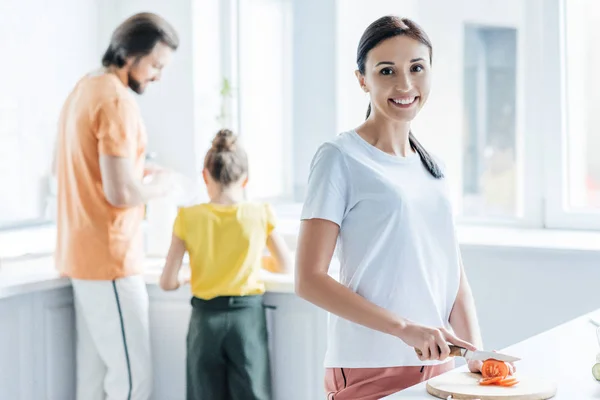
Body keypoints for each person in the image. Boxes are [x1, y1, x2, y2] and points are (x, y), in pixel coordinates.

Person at [295, 16, 499, 399]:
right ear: (362, 79)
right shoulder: (339, 158)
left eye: (416, 68)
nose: (404, 85)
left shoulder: (432, 168)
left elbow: (454, 280)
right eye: (386, 71)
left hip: (440, 363)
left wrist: (475, 353)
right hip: (368, 364)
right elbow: (309, 279)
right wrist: (406, 329)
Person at [54, 12, 179, 400]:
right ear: (130, 54)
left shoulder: (85, 88)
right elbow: (120, 193)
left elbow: (92, 170)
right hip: (110, 259)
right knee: (132, 378)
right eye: (155, 65)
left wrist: (137, 171)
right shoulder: (116, 101)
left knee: (93, 380)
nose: (157, 76)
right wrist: (160, 186)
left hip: (80, 254)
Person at [160, 129, 292, 400]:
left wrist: (187, 276)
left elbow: (167, 281)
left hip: (205, 322)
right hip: (247, 320)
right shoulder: (259, 214)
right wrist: (256, 260)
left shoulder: (188, 217)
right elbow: (285, 265)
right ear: (246, 179)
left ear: (205, 176)